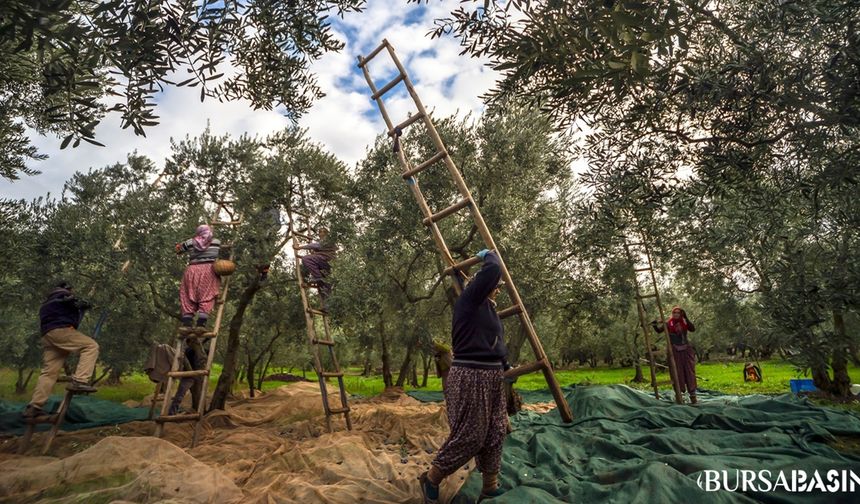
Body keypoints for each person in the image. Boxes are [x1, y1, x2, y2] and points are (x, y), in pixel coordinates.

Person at [419, 249, 509, 503]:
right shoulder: (470, 299)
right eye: (496, 286)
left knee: (496, 431)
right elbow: (493, 268)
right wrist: (489, 254)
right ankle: (432, 478)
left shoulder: (488, 309)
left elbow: (496, 341)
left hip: (491, 377)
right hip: (472, 375)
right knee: (471, 436)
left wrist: (505, 364)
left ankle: (489, 485)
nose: (497, 289)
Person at [23, 281, 99, 418]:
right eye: (72, 290)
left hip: (48, 336)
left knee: (49, 373)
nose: (73, 292)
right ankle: (80, 381)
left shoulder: (47, 303)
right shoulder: (63, 296)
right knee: (91, 346)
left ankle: (34, 406)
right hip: (60, 331)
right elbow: (73, 301)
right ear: (67, 289)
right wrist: (85, 303)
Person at [175, 224, 222, 331]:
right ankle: (201, 325)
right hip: (209, 271)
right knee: (207, 295)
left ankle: (187, 324)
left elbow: (178, 250)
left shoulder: (190, 242)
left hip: (192, 271)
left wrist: (178, 246)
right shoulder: (216, 242)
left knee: (187, 296)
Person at [652, 306, 698, 404]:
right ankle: (679, 394)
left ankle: (693, 395)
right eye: (674, 312)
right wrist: (654, 324)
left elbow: (692, 329)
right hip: (675, 350)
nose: (676, 314)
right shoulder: (669, 323)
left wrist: (686, 318)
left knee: (690, 372)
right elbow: (659, 330)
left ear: (681, 314)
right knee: (677, 372)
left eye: (678, 313)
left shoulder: (684, 322)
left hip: (686, 349)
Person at [296, 227, 337, 301]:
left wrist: (300, 247)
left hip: (327, 261)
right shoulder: (324, 242)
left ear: (327, 233)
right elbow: (317, 248)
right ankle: (327, 307)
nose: (320, 233)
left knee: (306, 259)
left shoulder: (327, 240)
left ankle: (318, 277)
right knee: (324, 284)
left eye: (323, 232)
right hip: (327, 265)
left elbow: (316, 245)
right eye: (320, 232)